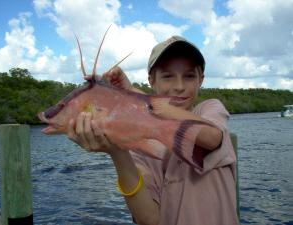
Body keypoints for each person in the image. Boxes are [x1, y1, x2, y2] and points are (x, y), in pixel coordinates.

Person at [67, 36, 239, 225]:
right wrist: (118, 152)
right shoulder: (140, 144)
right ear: (151, 80)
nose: (179, 86)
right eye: (167, 76)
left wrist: (134, 95)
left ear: (201, 80)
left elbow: (211, 137)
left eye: (189, 76)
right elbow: (149, 219)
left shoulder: (209, 109)